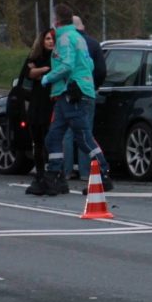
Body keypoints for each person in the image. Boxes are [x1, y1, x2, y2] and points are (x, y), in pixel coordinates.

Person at [39, 3, 114, 196]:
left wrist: (48, 78)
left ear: (57, 19)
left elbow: (67, 65)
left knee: (82, 136)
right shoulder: (77, 37)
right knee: (54, 136)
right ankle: (54, 176)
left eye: (52, 17)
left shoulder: (64, 38)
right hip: (72, 93)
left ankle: (103, 173)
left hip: (73, 94)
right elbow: (89, 63)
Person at [62, 16, 106, 181]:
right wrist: (94, 85)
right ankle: (85, 172)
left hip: (69, 91)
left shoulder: (65, 43)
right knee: (85, 131)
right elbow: (101, 70)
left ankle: (66, 170)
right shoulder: (93, 44)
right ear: (83, 26)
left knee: (68, 132)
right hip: (87, 91)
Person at [22, 29, 55, 195]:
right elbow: (28, 73)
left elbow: (53, 73)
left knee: (50, 140)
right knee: (37, 141)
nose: (50, 41)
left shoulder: (57, 57)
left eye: (53, 39)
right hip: (36, 103)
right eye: (47, 39)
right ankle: (40, 173)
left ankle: (53, 173)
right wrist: (44, 70)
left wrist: (39, 71)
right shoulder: (35, 57)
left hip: (51, 103)